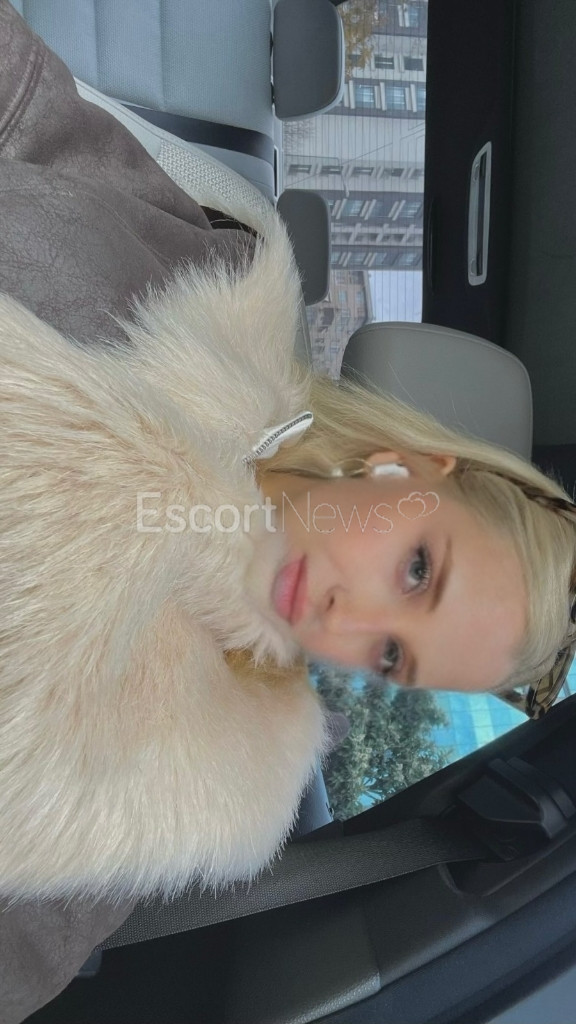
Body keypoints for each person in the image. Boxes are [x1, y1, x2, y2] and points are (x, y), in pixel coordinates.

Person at [1, 2, 576, 1021]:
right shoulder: (210, 275)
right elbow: (19, 104)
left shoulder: (187, 793)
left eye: (391, 656)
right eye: (416, 570)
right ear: (409, 469)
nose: (351, 625)